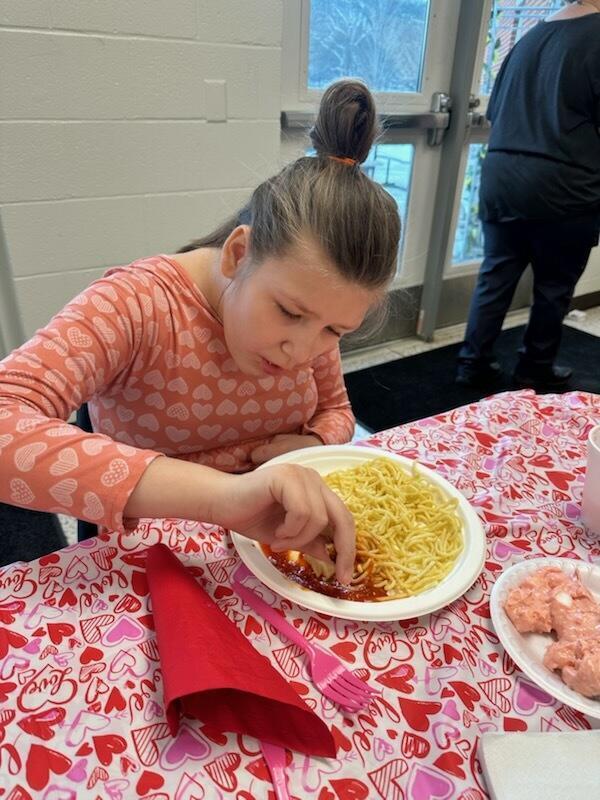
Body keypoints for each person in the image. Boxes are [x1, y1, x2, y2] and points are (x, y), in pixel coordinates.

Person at [0, 80, 401, 584]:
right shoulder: (138, 303)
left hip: (274, 547)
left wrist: (310, 443)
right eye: (289, 313)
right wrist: (223, 497)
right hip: (154, 561)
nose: (302, 351)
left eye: (335, 331)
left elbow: (337, 410)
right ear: (238, 255)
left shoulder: (313, 313)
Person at [456, 0, 600, 390]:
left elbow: (496, 112)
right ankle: (534, 369)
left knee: (496, 274)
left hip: (503, 174)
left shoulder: (529, 38)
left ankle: (473, 363)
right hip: (565, 183)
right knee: (553, 287)